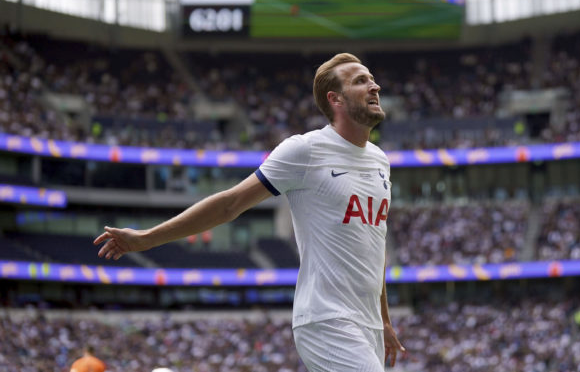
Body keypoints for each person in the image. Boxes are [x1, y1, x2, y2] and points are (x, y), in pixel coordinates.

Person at [94, 53, 406, 371]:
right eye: (361, 81)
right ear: (335, 99)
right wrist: (146, 238)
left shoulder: (380, 160)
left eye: (371, 78)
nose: (375, 86)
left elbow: (374, 243)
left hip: (367, 324)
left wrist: (383, 319)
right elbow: (230, 203)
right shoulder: (305, 150)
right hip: (327, 319)